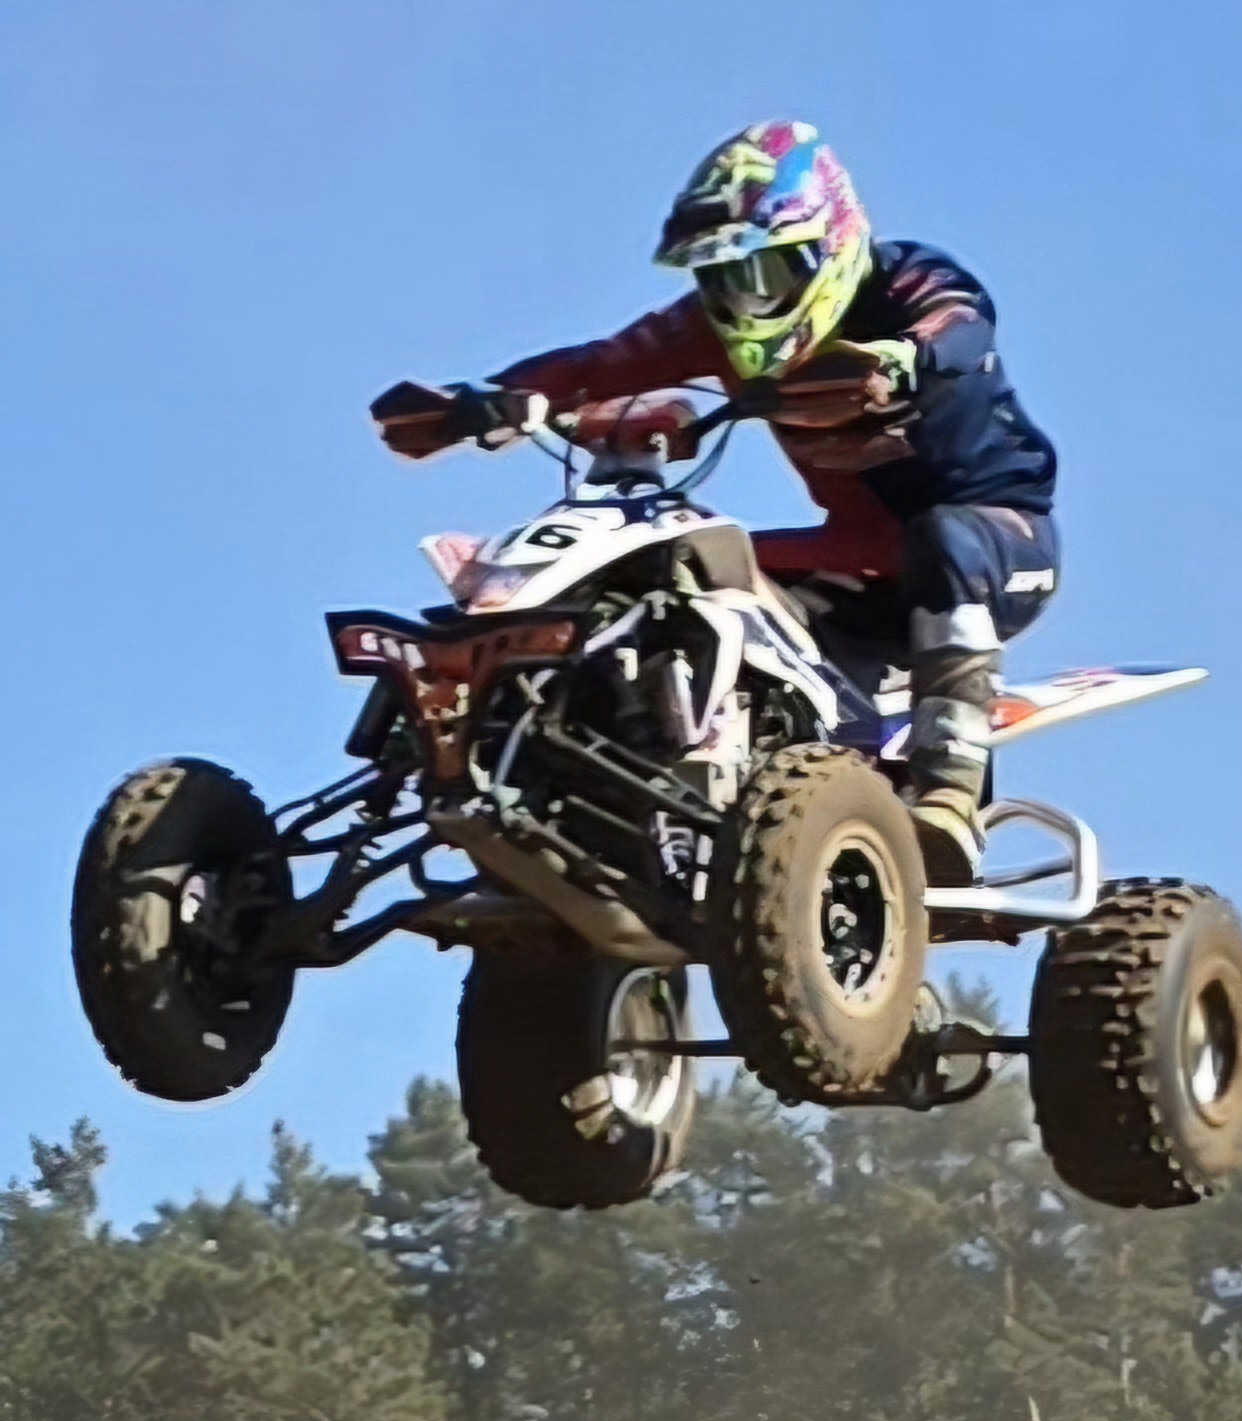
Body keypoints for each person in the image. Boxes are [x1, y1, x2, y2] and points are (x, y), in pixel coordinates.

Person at [384, 120, 1059, 885]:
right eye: (722, 278)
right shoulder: (706, 328)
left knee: (943, 538)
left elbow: (962, 325)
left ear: (829, 245)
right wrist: (483, 401)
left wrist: (906, 357)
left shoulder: (905, 281)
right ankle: (634, 777)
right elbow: (599, 364)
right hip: (853, 554)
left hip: (1003, 540)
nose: (744, 301)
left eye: (764, 272)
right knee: (676, 572)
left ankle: (949, 796)